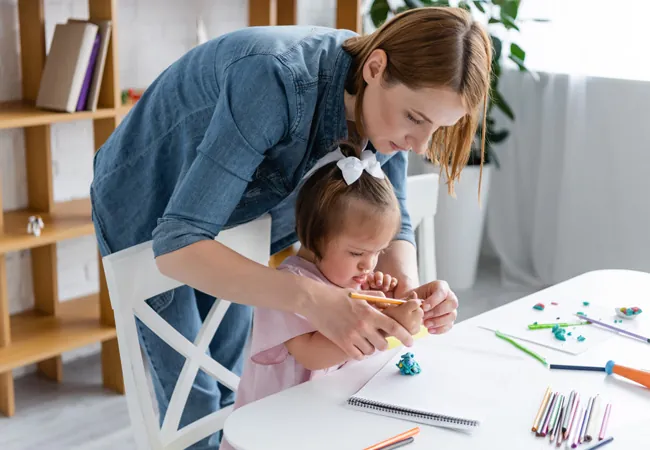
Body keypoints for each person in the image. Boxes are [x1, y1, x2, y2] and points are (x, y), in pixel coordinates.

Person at [90, 6, 491, 449]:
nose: (421, 144)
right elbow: (178, 244)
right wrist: (314, 298)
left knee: (235, 380)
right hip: (148, 206)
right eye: (416, 119)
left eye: (438, 128)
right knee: (196, 401)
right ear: (376, 67)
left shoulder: (384, 109)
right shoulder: (274, 80)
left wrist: (407, 295)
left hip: (234, 217)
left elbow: (395, 219)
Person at [220, 142, 424, 450]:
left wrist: (378, 300)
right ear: (314, 238)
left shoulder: (349, 277)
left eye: (378, 252)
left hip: (325, 420)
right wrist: (383, 322)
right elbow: (313, 354)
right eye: (357, 252)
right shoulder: (289, 288)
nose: (369, 264)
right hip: (276, 431)